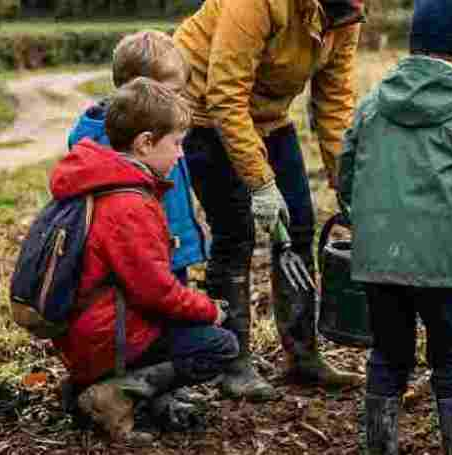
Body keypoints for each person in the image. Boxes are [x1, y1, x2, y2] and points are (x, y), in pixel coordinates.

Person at [173, 0, 366, 401]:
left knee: (298, 226)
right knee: (235, 233)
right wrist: (260, 182)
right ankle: (233, 364)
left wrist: (348, 185)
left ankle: (303, 356)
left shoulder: (347, 16)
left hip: (268, 117)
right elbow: (224, 94)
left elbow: (334, 104)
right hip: (203, 112)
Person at [338, 0, 452, 452]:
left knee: (389, 355)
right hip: (445, 265)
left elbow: (346, 174)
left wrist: (368, 229)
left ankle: (380, 447)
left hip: (377, 262)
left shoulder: (372, 104)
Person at [54, 78, 236, 442]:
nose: (181, 154)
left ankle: (86, 386)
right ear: (145, 143)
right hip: (108, 336)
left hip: (85, 331)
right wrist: (208, 310)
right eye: (176, 143)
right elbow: (157, 293)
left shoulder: (98, 179)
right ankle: (115, 394)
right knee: (219, 345)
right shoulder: (129, 204)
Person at [67, 30, 207, 288]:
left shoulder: (162, 130)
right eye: (172, 93)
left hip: (169, 248)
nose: (180, 102)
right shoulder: (116, 144)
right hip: (141, 257)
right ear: (140, 92)